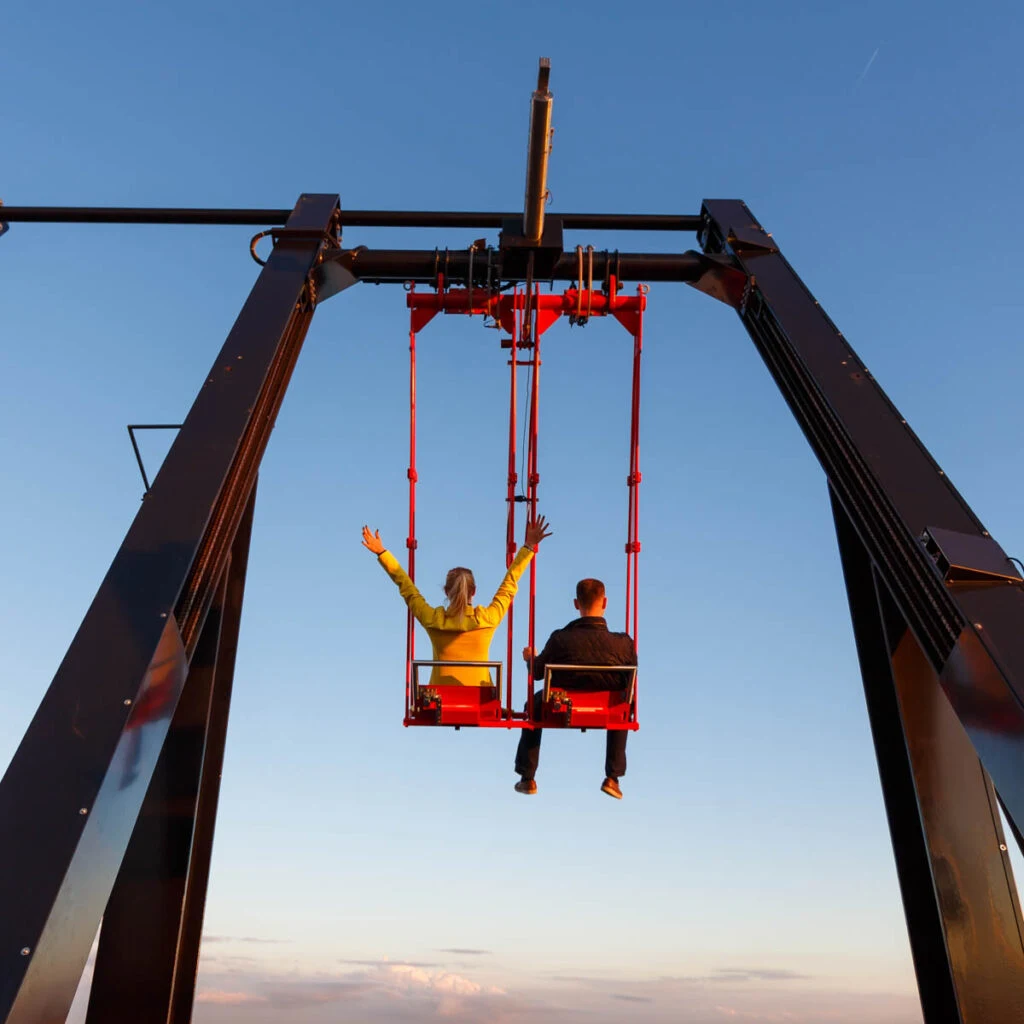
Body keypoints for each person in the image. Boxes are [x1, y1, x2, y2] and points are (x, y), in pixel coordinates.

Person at [362, 516, 552, 687]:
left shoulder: (433, 620)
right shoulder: (487, 619)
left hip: (440, 697)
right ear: (474, 591)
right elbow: (510, 582)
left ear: (446, 591)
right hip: (481, 695)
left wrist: (382, 553)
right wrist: (528, 546)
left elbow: (407, 589)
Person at [514, 578, 636, 799]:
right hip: (607, 705)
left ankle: (528, 777)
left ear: (576, 603)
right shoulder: (624, 643)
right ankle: (613, 777)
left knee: (533, 705)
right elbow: (631, 680)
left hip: (562, 704)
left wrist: (530, 659)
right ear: (605, 602)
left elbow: (539, 673)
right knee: (624, 704)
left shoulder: (561, 639)